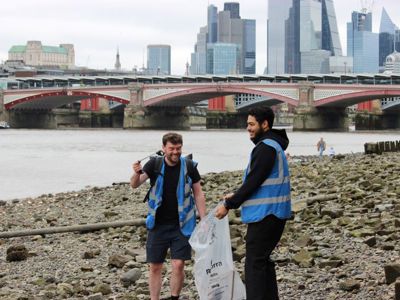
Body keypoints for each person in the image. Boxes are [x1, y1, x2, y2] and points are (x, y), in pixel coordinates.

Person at [215, 106, 291, 300]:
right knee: (263, 261)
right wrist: (236, 194)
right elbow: (261, 181)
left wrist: (229, 205)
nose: (248, 128)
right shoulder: (273, 145)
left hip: (266, 215)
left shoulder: (266, 148)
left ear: (264, 124)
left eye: (251, 124)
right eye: (247, 124)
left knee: (254, 264)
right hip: (275, 214)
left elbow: (253, 181)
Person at [130, 132, 206, 300]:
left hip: (183, 224)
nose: (175, 152)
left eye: (178, 148)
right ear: (163, 148)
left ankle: (174, 297)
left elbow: (198, 194)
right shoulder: (154, 164)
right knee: (155, 266)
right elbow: (135, 184)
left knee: (178, 264)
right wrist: (136, 172)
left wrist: (204, 219)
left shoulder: (190, 167)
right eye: (171, 148)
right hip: (158, 224)